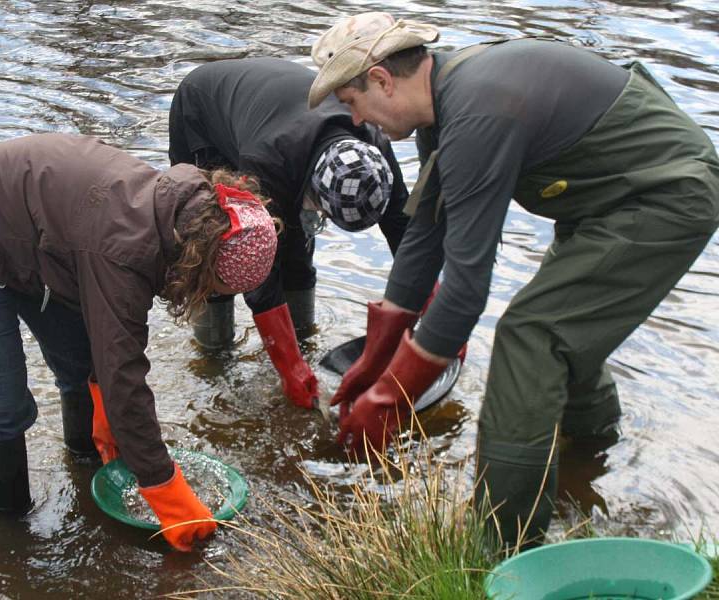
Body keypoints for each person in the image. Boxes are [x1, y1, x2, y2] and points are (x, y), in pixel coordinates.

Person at [308, 12, 719, 549]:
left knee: (532, 334)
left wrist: (388, 399)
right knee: (561, 323)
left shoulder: (478, 111)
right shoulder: (443, 107)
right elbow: (428, 235)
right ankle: (591, 450)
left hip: (663, 195)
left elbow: (465, 290)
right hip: (606, 202)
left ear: (382, 80)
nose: (358, 121)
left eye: (351, 102)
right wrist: (374, 360)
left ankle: (502, 540)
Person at [0, 132, 278, 552]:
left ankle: (89, 472)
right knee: (0, 408)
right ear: (199, 260)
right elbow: (122, 369)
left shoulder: (184, 210)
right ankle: (11, 539)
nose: (211, 297)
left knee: (80, 365)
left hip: (37, 241)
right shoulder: (124, 251)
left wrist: (113, 415)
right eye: (214, 287)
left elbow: (110, 359)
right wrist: (166, 491)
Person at [168, 57, 412, 410]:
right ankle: (213, 355)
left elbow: (405, 234)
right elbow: (258, 275)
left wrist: (429, 326)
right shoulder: (270, 162)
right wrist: (290, 368)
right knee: (217, 248)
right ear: (315, 190)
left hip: (276, 112)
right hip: (203, 113)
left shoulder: (372, 150)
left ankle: (302, 338)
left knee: (297, 245)